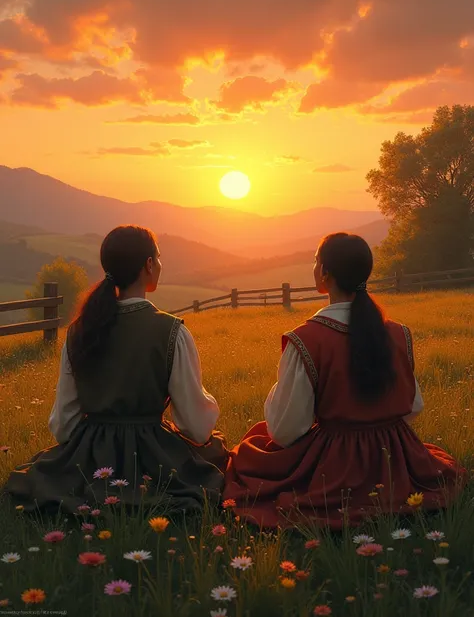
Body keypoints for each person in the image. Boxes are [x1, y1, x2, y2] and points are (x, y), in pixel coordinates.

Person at [224, 233, 465, 528]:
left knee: (250, 452)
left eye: (316, 261)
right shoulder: (397, 333)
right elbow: (413, 406)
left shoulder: (308, 339)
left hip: (337, 464)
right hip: (397, 459)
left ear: (325, 272)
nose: (314, 268)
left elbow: (286, 431)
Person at [6, 225, 228, 513]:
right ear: (149, 265)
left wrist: (85, 449)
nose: (160, 264)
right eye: (158, 257)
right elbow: (196, 427)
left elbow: (63, 424)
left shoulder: (80, 330)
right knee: (216, 451)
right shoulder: (170, 330)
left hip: (91, 457)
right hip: (153, 455)